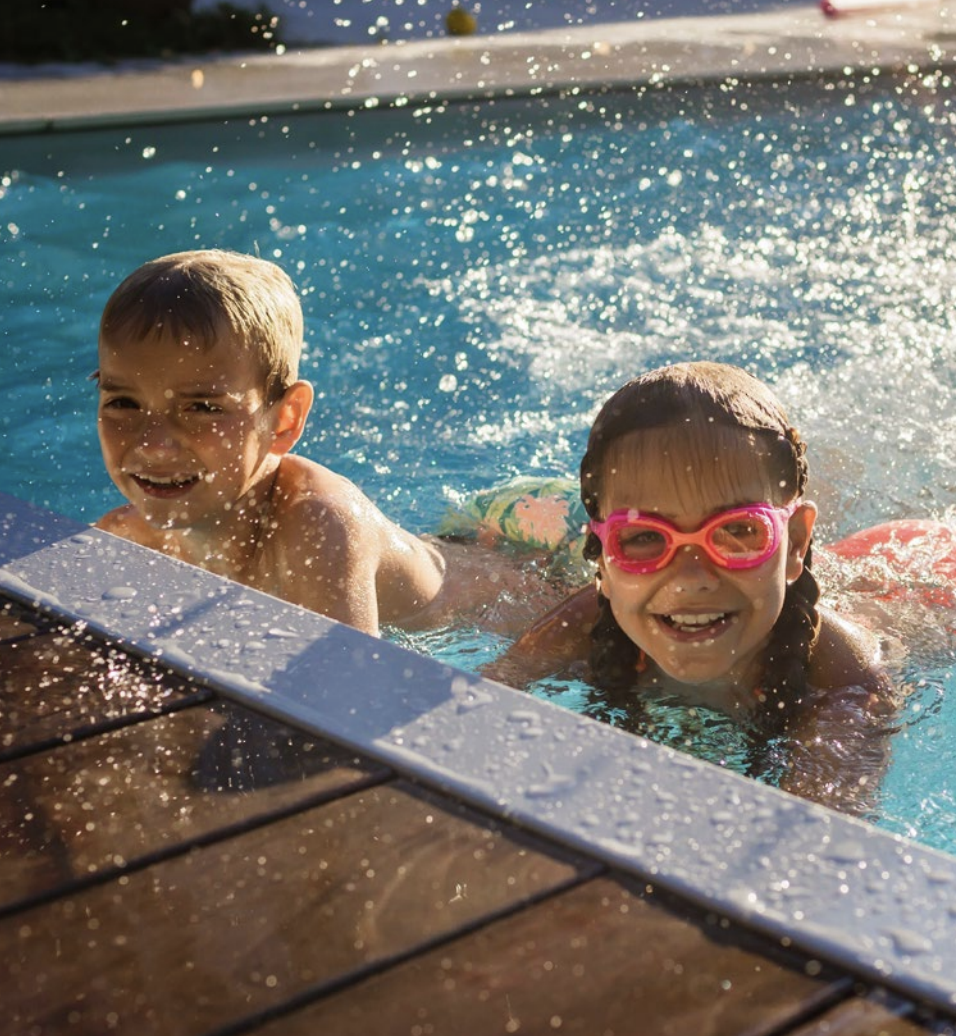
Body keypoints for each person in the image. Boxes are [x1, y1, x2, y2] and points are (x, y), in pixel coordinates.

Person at [486, 361, 902, 813]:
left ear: (797, 542)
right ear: (602, 558)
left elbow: (816, 842)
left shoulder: (845, 679)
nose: (691, 579)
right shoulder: (577, 627)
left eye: (739, 531)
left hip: (909, 591)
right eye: (644, 537)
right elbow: (468, 725)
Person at [93, 249, 446, 636]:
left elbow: (349, 689)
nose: (154, 445)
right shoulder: (126, 538)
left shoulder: (321, 526)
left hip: (508, 595)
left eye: (202, 407)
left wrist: (515, 666)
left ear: (284, 419)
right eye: (123, 403)